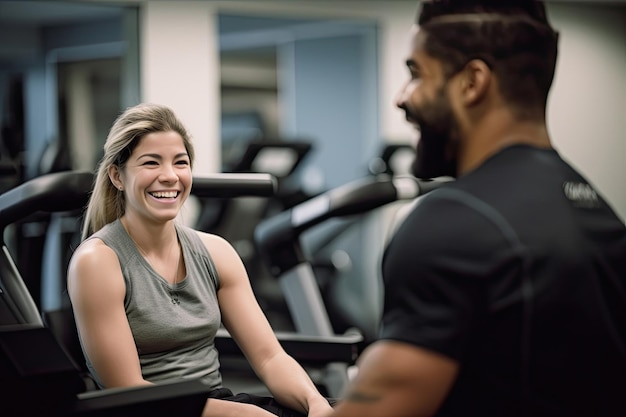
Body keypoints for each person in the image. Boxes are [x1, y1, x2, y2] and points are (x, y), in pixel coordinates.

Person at [329, 1, 626, 416]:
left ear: (472, 83)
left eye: (416, 73)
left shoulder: (452, 221)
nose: (402, 97)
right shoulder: (597, 210)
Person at [67, 102, 334, 417]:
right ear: (117, 176)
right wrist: (253, 416)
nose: (169, 176)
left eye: (180, 163)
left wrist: (315, 403)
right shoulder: (97, 261)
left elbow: (269, 357)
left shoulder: (216, 252)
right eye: (151, 163)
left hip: (216, 404)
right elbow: (129, 392)